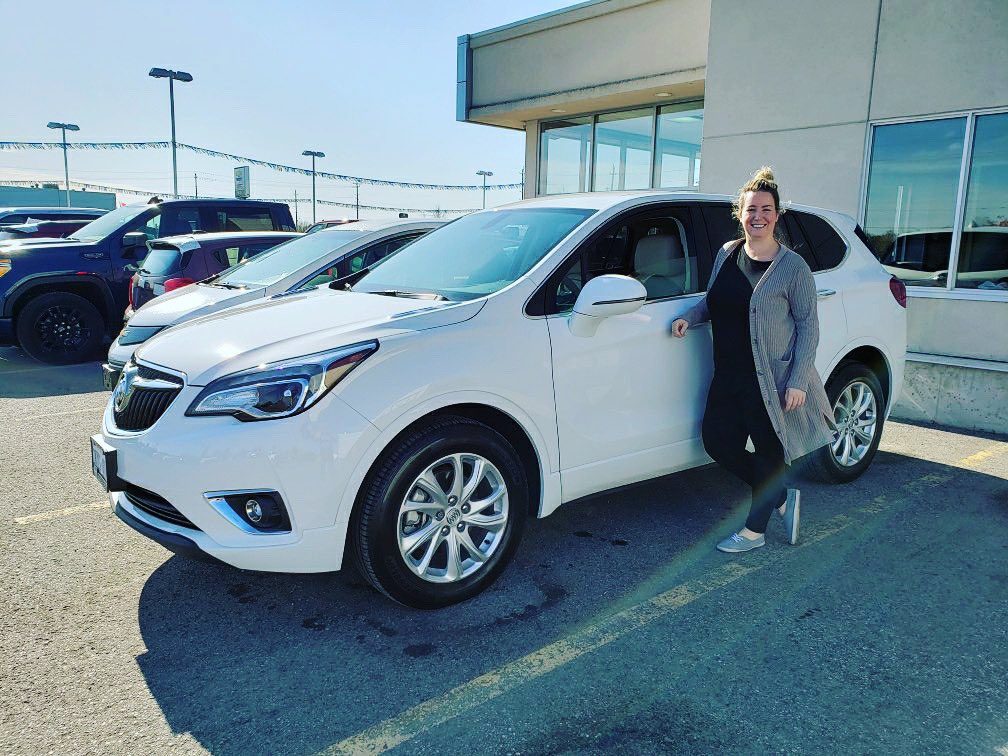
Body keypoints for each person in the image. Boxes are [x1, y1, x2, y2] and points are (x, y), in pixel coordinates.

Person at [671, 167, 834, 553]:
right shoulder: (727, 254)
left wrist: (797, 380)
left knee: (767, 451)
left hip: (771, 379)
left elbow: (809, 326)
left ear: (777, 215)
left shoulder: (792, 267)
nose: (757, 216)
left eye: (766, 209)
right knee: (717, 442)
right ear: (739, 214)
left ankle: (754, 532)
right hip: (728, 373)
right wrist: (687, 318)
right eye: (751, 210)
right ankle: (779, 497)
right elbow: (711, 302)